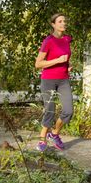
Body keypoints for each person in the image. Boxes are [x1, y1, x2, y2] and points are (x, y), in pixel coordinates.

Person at [34, 13, 73, 152]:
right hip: (48, 80)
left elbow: (66, 56)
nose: (63, 23)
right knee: (50, 110)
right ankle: (42, 138)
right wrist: (57, 61)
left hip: (63, 80)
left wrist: (67, 65)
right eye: (60, 21)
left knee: (68, 111)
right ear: (53, 24)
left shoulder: (68, 39)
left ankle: (54, 134)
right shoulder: (48, 41)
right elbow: (38, 64)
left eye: (64, 21)